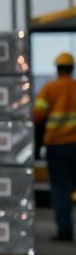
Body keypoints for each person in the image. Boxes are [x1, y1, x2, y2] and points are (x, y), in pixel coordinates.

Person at [33, 52, 76, 241]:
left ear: (57, 69)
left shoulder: (50, 88)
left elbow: (37, 116)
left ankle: (64, 231)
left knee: (60, 189)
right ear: (71, 68)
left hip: (57, 147)